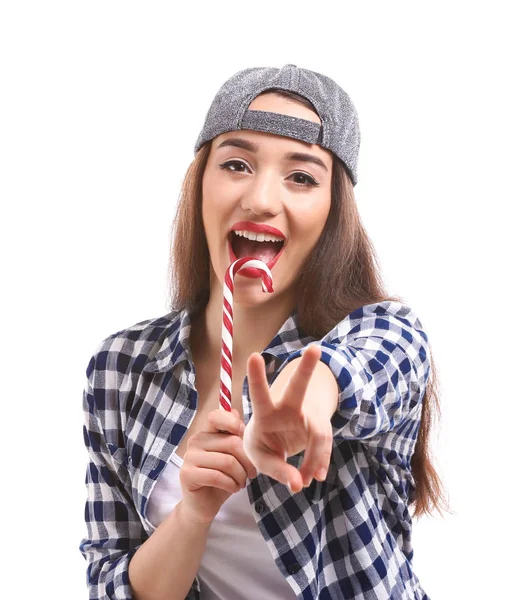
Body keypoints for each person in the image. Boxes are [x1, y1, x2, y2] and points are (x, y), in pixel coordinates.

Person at [79, 64, 448, 600]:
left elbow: (362, 370)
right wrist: (193, 513)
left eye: (301, 177)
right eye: (236, 164)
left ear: (333, 211)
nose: (260, 199)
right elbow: (111, 583)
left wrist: (308, 400)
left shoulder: (384, 332)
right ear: (200, 183)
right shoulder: (121, 368)